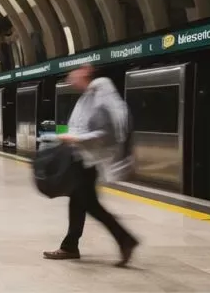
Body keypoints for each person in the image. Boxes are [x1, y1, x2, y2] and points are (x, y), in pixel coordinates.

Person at [45, 64, 139, 266]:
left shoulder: (99, 96)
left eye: (74, 73)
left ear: (85, 71)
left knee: (90, 205)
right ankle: (71, 245)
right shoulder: (89, 95)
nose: (70, 78)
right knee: (80, 202)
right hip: (83, 159)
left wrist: (75, 139)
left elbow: (107, 133)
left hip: (89, 161)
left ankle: (125, 240)